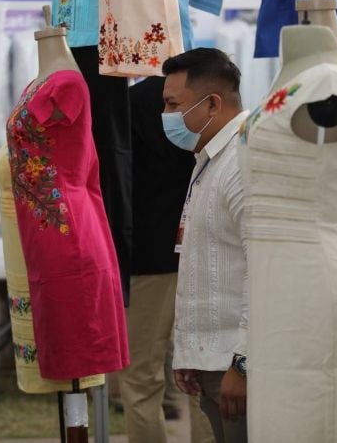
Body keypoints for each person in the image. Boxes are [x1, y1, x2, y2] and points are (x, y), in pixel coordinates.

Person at [118, 76, 214, 443]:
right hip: (199, 247)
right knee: (203, 368)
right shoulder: (199, 93)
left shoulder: (128, 101)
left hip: (147, 256)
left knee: (141, 378)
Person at [164, 49, 249, 443]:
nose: (165, 116)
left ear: (212, 104)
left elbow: (263, 269)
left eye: (172, 105)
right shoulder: (210, 159)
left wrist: (245, 363)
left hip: (238, 367)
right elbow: (200, 262)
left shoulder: (244, 161)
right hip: (212, 362)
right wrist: (188, 353)